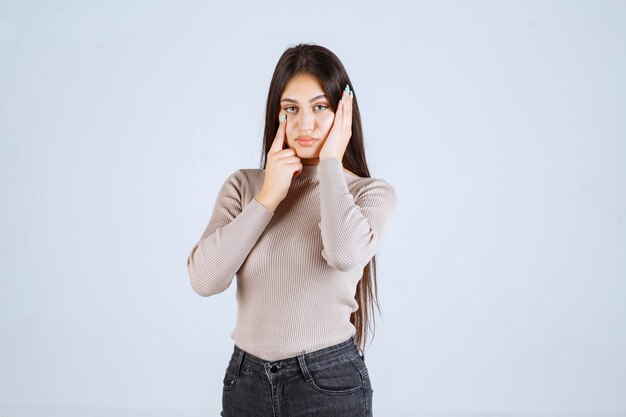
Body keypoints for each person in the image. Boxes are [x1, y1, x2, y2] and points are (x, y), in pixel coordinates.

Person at [186, 43, 397, 416]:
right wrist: (267, 198)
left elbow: (343, 253)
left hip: (327, 384)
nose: (306, 124)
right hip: (246, 382)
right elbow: (205, 280)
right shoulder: (244, 187)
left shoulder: (368, 193)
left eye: (320, 107)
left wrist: (331, 161)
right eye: (291, 109)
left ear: (342, 112)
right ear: (277, 114)